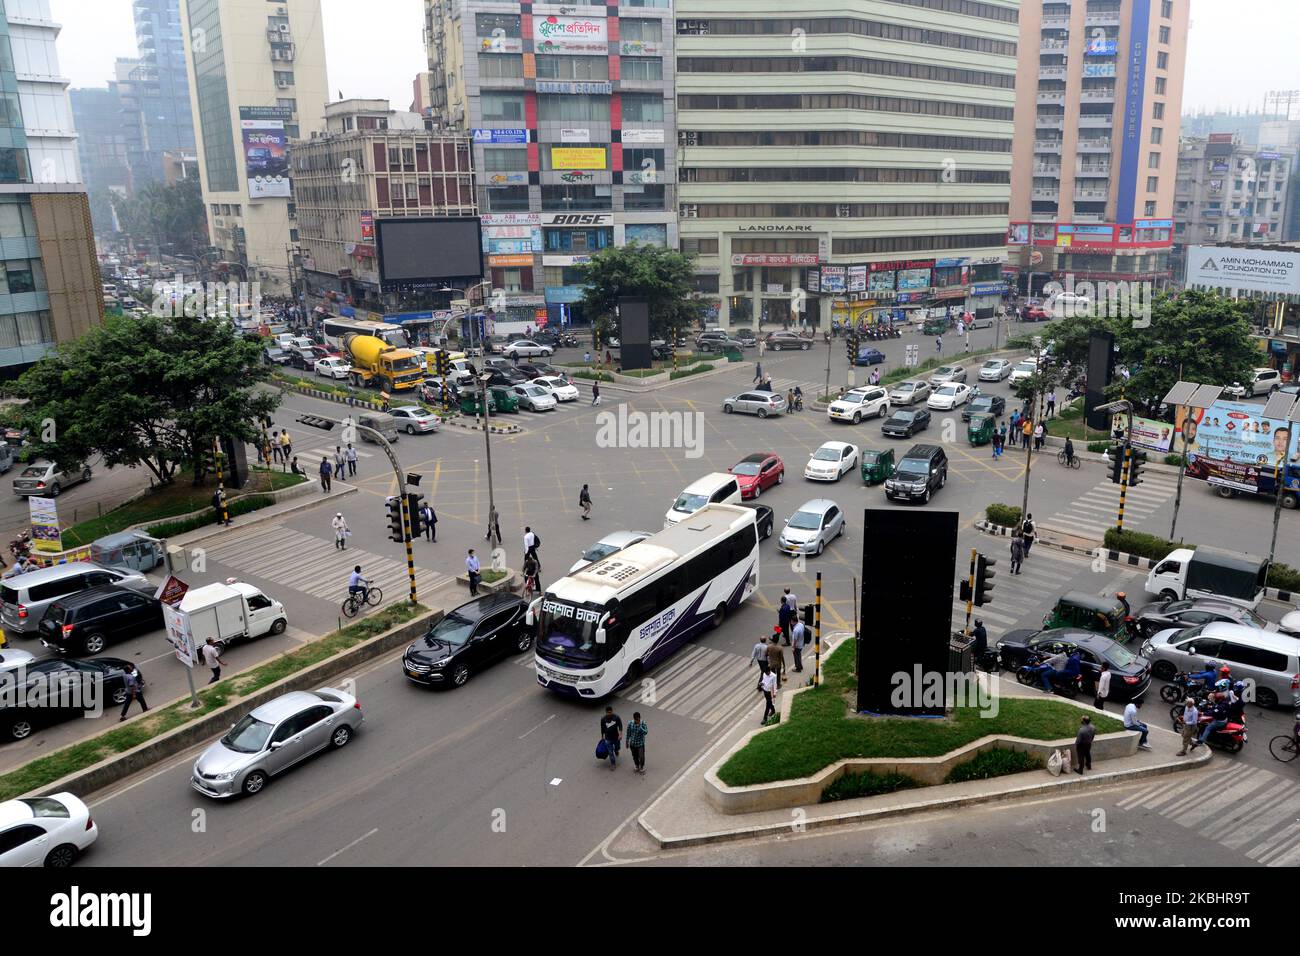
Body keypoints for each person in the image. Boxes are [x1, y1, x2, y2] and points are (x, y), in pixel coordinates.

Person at [600, 706, 623, 771]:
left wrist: (620, 734)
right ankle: (613, 764)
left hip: (616, 737)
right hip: (608, 738)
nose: (609, 714)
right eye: (608, 713)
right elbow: (602, 728)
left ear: (612, 711)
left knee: (617, 747)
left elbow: (620, 726)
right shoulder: (603, 719)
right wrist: (602, 737)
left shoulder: (616, 717)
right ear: (606, 712)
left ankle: (616, 750)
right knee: (610, 752)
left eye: (610, 712)